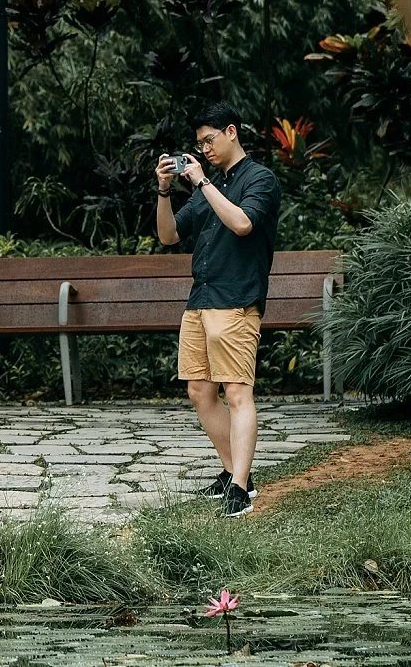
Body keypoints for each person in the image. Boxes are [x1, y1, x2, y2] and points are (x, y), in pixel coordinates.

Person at [155, 102, 281, 517]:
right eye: (198, 144)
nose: (204, 149)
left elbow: (243, 223)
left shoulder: (259, 179)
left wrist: (203, 182)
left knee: (238, 392)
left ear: (231, 131)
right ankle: (233, 473)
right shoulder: (208, 185)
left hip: (237, 299)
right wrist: (164, 190)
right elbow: (169, 235)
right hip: (201, 299)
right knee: (199, 391)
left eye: (209, 140)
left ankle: (242, 490)